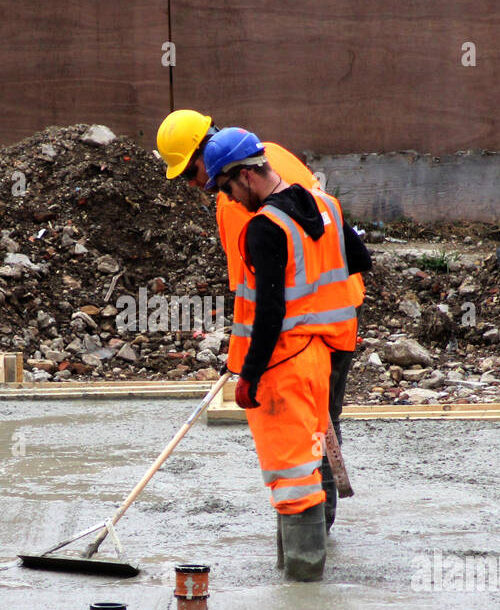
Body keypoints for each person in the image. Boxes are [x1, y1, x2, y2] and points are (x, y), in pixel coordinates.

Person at [157, 109, 368, 529]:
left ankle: (307, 533)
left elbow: (256, 297)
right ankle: (319, 524)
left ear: (207, 153)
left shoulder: (238, 199)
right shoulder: (270, 154)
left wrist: (244, 365)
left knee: (297, 431)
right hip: (341, 311)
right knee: (324, 420)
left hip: (298, 329)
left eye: (191, 171)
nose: (198, 184)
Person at [201, 128, 369, 580]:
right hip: (327, 351)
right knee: (314, 452)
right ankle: (300, 568)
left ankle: (302, 580)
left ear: (246, 176)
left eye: (227, 188)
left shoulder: (264, 228)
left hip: (285, 364)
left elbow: (270, 311)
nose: (230, 200)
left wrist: (248, 375)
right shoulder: (326, 206)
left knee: (293, 472)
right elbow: (359, 260)